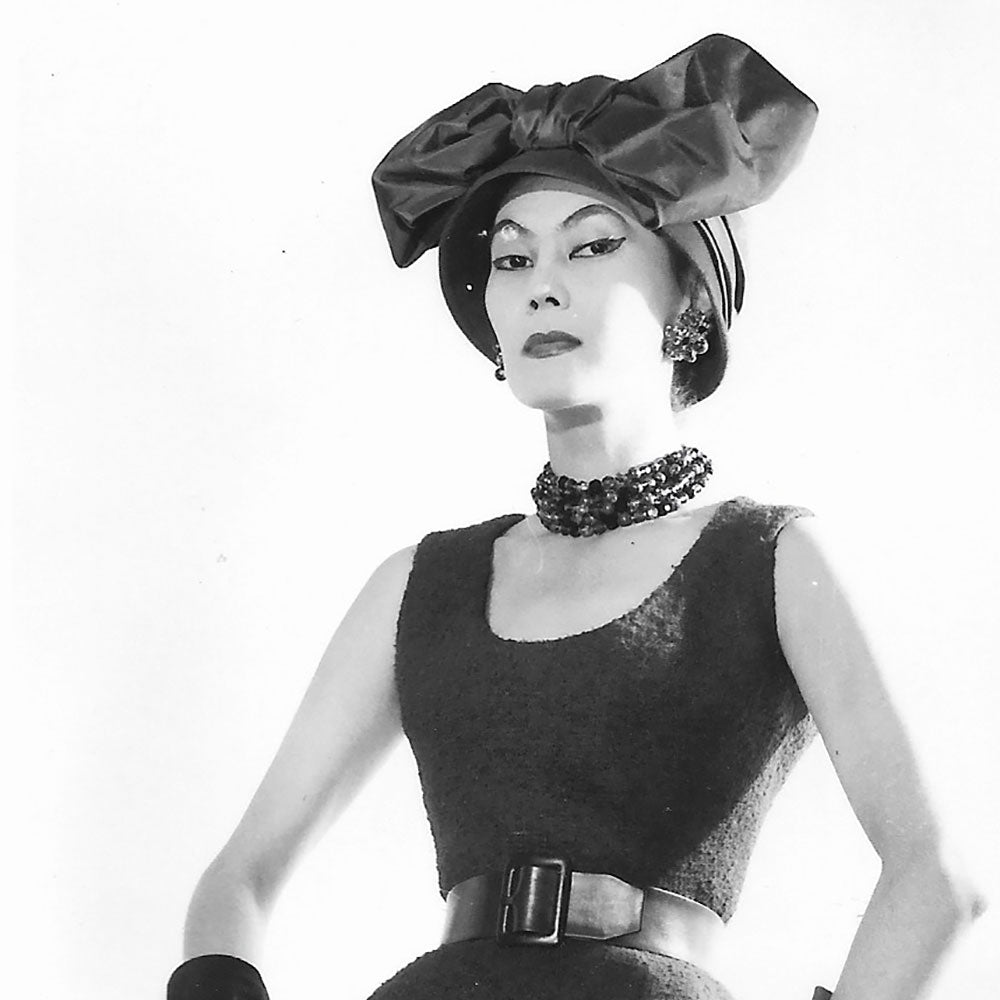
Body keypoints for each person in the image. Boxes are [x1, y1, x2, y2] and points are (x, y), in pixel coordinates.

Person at [166, 34, 986, 1000]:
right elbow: (239, 876)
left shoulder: (771, 558)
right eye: (512, 257)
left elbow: (938, 878)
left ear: (689, 300)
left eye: (593, 245)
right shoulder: (421, 582)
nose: (541, 284)